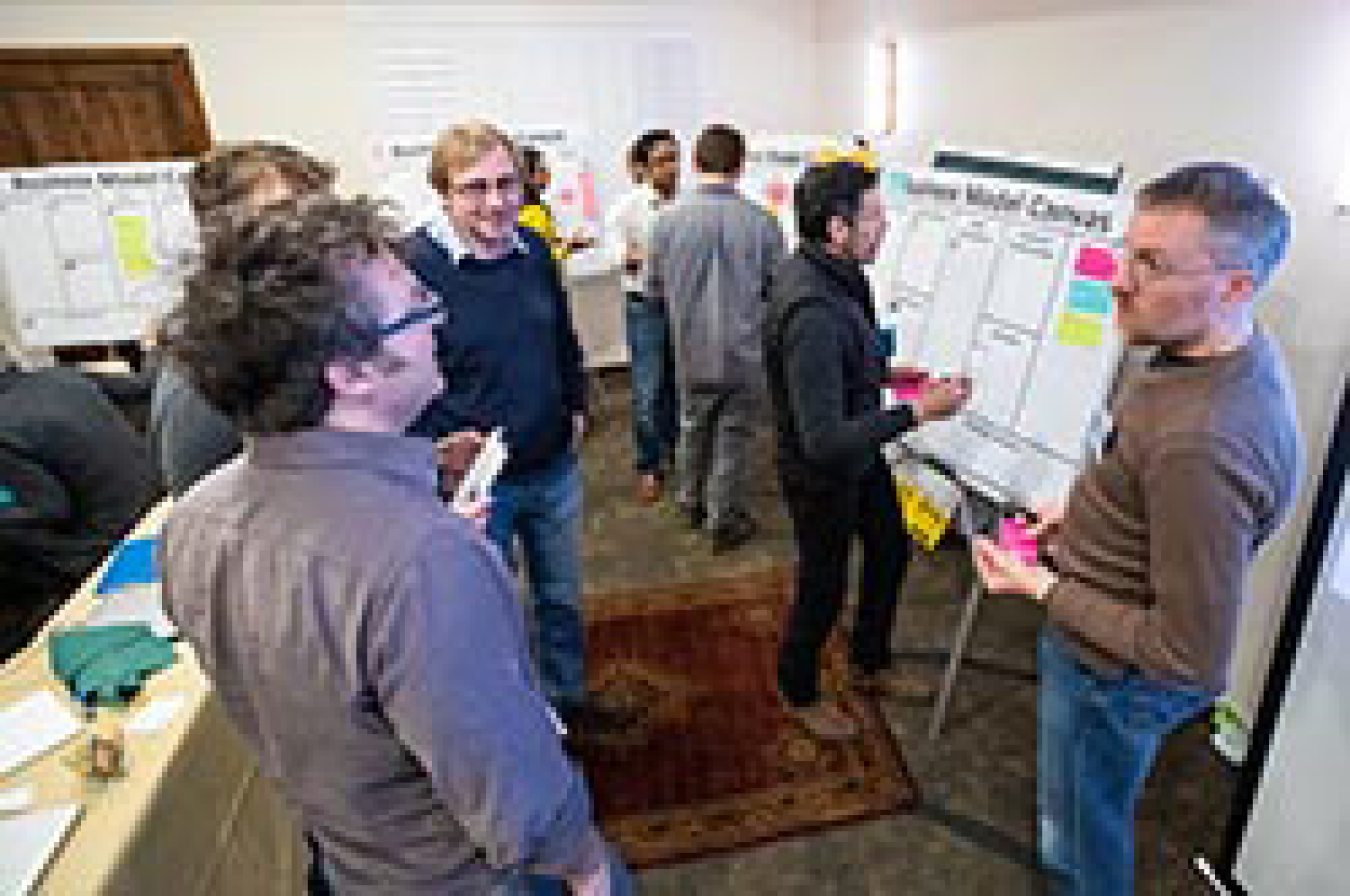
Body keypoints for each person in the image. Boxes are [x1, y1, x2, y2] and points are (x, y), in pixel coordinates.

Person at [160, 195, 624, 895]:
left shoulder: (193, 519)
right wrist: (589, 868)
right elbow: (517, 801)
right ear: (349, 373)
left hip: (349, 861)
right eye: (416, 307)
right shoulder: (421, 562)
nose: (440, 317)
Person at [971, 162, 1303, 895]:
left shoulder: (1205, 442)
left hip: (1107, 679)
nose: (1119, 280)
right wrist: (1090, 512)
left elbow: (1189, 659)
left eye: (1150, 265)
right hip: (1102, 641)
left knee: (1079, 839)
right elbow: (1162, 489)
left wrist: (1042, 586)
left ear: (1235, 287)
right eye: (1129, 252)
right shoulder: (1220, 351)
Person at [403, 121, 620, 733]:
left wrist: (577, 406)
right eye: (475, 189)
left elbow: (561, 338)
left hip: (553, 467)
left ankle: (569, 702)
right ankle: (516, 726)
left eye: (506, 184)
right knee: (488, 615)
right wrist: (437, 459)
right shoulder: (415, 269)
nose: (496, 202)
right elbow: (402, 382)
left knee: (561, 600)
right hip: (476, 489)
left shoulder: (532, 251)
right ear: (443, 194)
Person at [766, 161, 970, 740]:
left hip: (862, 459)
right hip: (823, 473)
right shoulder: (812, 313)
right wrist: (917, 411)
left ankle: (869, 663)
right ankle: (798, 688)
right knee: (823, 586)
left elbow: (845, 359)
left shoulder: (839, 272)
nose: (886, 226)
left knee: (889, 548)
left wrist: (888, 374)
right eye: (875, 216)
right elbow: (823, 440)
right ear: (837, 228)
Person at [150, 141, 336, 495]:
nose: (320, 230)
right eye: (288, 212)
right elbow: (222, 522)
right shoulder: (204, 372)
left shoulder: (290, 329)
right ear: (221, 234)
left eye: (320, 210)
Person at [647, 124, 785, 551]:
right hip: (744, 353)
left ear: (693, 163)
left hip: (689, 350)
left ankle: (690, 502)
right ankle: (722, 517)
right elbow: (777, 290)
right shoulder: (764, 223)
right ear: (741, 165)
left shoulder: (665, 221)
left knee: (692, 426)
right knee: (734, 436)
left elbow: (652, 287)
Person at [0, 343, 160, 659]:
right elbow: (142, 387)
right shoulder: (61, 378)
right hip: (150, 530)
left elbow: (36, 521)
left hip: (100, 572)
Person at [605, 129, 681, 503]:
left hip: (686, 307)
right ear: (641, 168)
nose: (672, 167)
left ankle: (677, 454)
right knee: (649, 391)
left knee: (681, 386)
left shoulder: (690, 204)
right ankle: (649, 464)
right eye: (662, 160)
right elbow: (621, 257)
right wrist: (644, 257)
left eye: (676, 158)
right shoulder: (626, 210)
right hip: (646, 307)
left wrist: (647, 255)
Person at [518, 145, 593, 261]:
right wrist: (568, 246)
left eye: (547, 169)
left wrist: (571, 243)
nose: (548, 174)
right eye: (542, 170)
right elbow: (538, 257)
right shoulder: (525, 213)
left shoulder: (539, 207)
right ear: (527, 176)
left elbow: (549, 243)